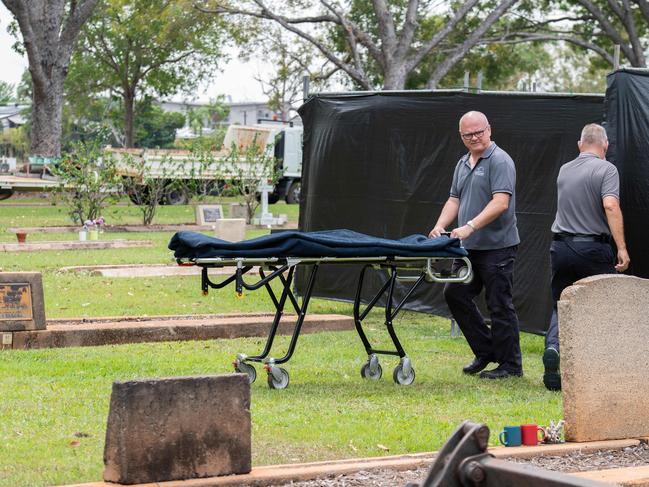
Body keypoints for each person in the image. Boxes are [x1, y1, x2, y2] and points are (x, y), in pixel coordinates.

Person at [429, 111, 522, 379]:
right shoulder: (462, 163)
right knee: (454, 294)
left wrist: (470, 226)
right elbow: (453, 200)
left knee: (499, 304)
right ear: (461, 136)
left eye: (479, 132)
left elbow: (500, 202)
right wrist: (439, 225)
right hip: (467, 248)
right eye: (468, 134)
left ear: (489, 130)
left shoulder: (500, 160)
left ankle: (511, 366)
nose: (474, 138)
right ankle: (486, 351)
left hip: (498, 247)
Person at [542, 123, 630, 391]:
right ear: (605, 146)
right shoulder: (607, 169)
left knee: (562, 304)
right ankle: (602, 371)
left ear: (580, 144)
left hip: (561, 247)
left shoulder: (565, 169)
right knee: (603, 306)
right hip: (593, 249)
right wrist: (622, 248)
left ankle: (553, 349)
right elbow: (610, 205)